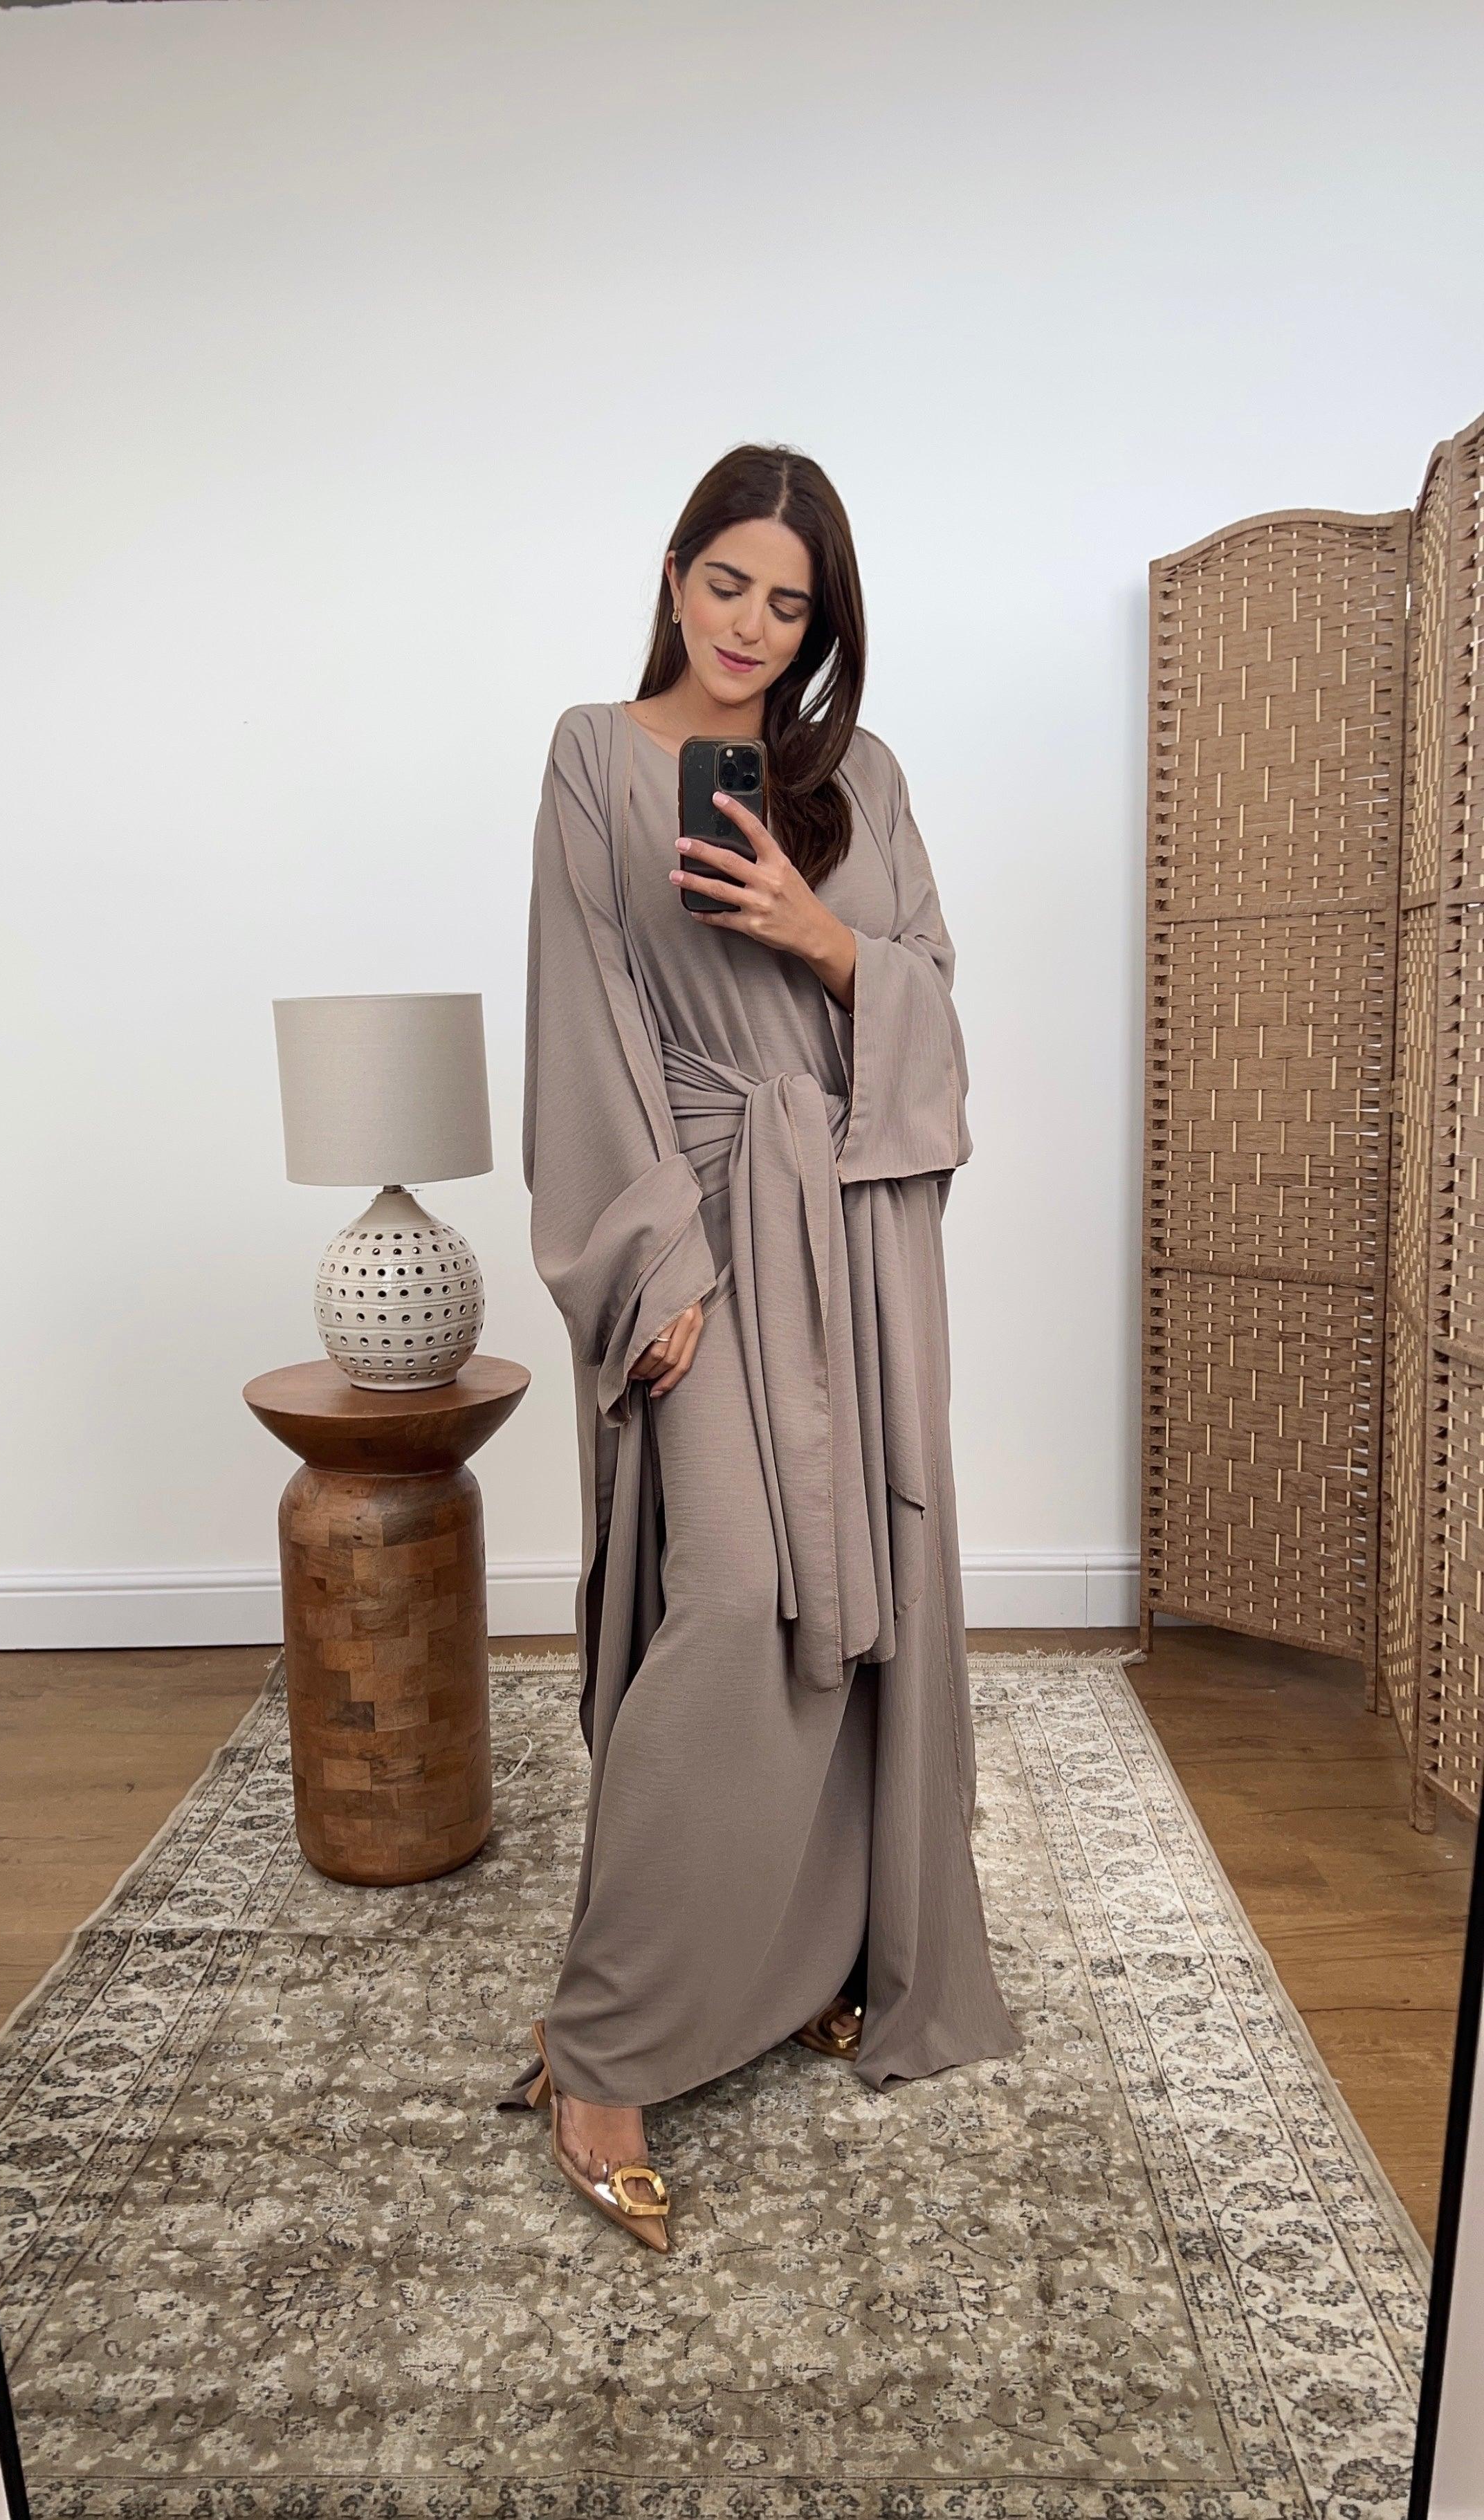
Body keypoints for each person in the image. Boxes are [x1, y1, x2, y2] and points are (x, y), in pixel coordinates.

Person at [500, 442, 1020, 2254]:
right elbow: (585, 1020)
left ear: (821, 624)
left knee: (856, 1595)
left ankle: (811, 1956)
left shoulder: (857, 778)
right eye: (727, 582)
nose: (749, 626)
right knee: (738, 1590)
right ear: (673, 574)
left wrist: (822, 936)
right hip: (698, 1218)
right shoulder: (593, 756)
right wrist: (655, 1262)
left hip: (855, 1230)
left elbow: (931, 992)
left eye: (789, 604)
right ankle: (604, 2048)